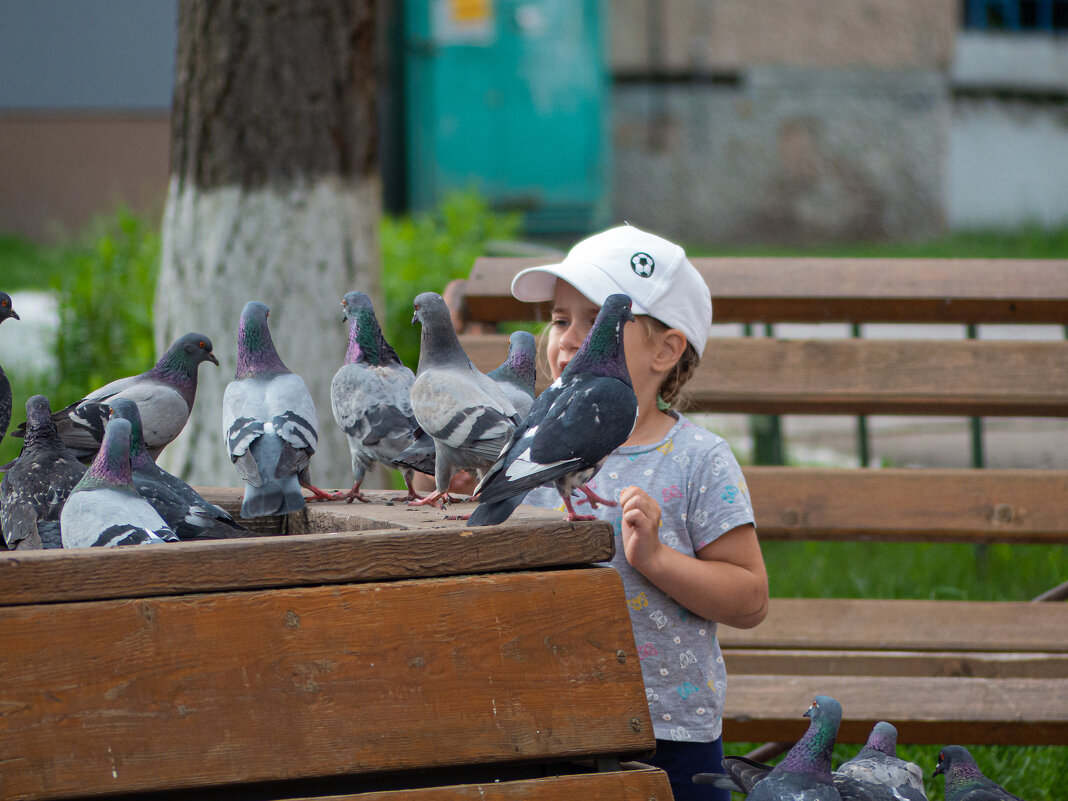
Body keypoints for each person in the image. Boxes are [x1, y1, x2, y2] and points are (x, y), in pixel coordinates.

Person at [510, 224, 769, 801]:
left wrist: (655, 558)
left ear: (665, 350)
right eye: (559, 319)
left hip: (668, 734)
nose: (569, 339)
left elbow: (750, 598)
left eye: (596, 321)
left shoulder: (697, 460)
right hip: (544, 720)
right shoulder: (525, 444)